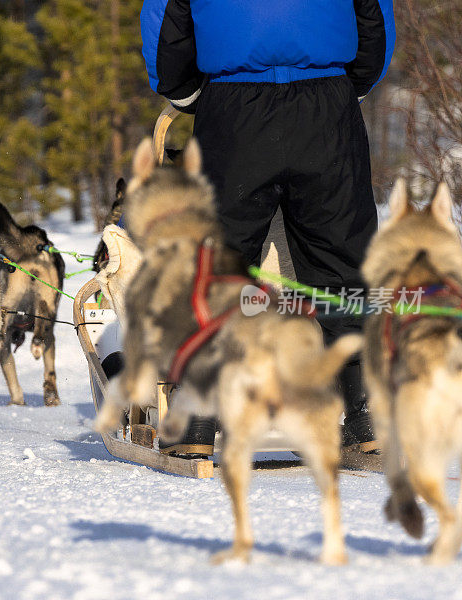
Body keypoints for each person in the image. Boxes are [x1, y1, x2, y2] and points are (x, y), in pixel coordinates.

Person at [140, 0, 395, 453]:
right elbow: (374, 14)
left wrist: (185, 94)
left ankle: (199, 416)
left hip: (233, 107)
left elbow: (166, 20)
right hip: (326, 106)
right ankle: (365, 409)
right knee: (343, 255)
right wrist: (347, 84)